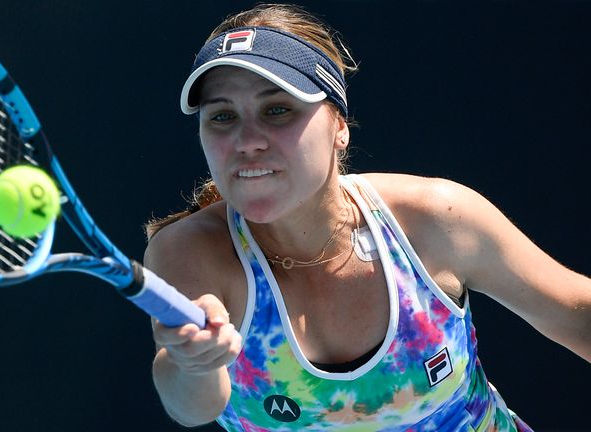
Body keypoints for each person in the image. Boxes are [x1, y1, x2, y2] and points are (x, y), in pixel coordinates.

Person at [144, 4, 591, 431]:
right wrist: (193, 362)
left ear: (339, 125)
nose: (247, 140)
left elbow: (577, 316)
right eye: (222, 116)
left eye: (276, 109)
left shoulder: (436, 218)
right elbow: (190, 405)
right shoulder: (188, 252)